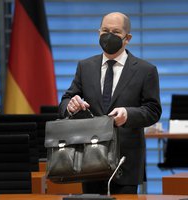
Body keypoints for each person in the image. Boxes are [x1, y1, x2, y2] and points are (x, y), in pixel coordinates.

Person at [59, 12, 162, 194]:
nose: (108, 36)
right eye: (105, 30)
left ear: (127, 38)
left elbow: (153, 110)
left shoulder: (146, 70)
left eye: (115, 32)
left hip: (126, 160)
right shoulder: (85, 66)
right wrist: (70, 105)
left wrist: (128, 115)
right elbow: (66, 100)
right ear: (98, 33)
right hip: (89, 159)